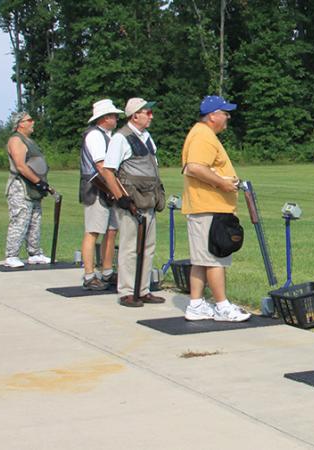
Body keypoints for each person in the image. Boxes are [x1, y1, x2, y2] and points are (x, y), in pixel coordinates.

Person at [179, 95, 251, 322]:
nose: (228, 117)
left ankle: (197, 303)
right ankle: (222, 306)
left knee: (201, 258)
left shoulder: (202, 134)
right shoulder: (203, 136)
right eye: (225, 113)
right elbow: (195, 167)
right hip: (209, 206)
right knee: (215, 257)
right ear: (212, 116)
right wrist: (223, 183)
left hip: (205, 206)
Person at [100, 98, 166, 308]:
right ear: (135, 115)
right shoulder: (121, 138)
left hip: (148, 199)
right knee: (129, 247)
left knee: (148, 247)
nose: (151, 116)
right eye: (147, 112)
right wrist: (121, 198)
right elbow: (108, 171)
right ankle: (128, 291)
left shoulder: (146, 137)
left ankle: (143, 289)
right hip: (132, 201)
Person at [79, 99, 123, 290]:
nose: (116, 118)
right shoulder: (95, 136)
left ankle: (107, 271)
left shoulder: (107, 135)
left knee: (112, 230)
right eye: (113, 115)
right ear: (105, 118)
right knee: (93, 231)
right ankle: (89, 275)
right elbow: (101, 166)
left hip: (107, 188)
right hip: (96, 188)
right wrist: (115, 190)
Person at [3, 111, 54, 268]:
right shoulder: (16, 140)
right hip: (21, 187)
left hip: (34, 187)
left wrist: (43, 184)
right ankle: (11, 255)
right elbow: (21, 166)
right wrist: (38, 182)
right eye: (29, 120)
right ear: (21, 123)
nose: (33, 123)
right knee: (20, 220)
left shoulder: (29, 140)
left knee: (35, 219)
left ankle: (35, 253)